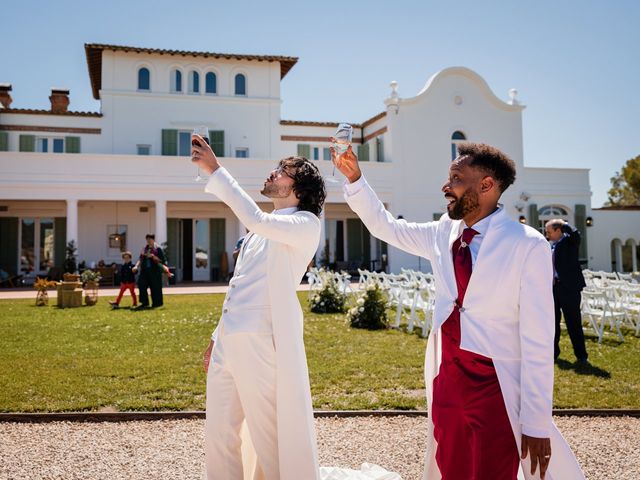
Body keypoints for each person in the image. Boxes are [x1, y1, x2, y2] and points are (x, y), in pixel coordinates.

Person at [333, 142, 585, 480]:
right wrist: (356, 179)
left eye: (456, 178)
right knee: (450, 465)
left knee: (494, 469)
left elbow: (539, 338)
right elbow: (386, 226)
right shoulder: (442, 232)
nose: (446, 186)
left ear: (486, 185)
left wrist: (536, 421)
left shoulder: (527, 244)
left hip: (496, 386)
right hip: (447, 380)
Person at [192, 135, 326, 480]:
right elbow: (240, 286)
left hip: (261, 342)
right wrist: (215, 337)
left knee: (269, 437)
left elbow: (256, 220)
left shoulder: (305, 224)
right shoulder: (261, 226)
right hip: (228, 342)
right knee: (219, 433)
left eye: (282, 171)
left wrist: (216, 170)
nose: (273, 173)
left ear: (299, 188)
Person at [545, 219, 588, 364]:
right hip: (554, 288)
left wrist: (564, 224)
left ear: (559, 230)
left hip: (569, 289)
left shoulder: (570, 242)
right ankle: (553, 353)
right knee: (553, 323)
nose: (547, 234)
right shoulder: (552, 246)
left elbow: (576, 234)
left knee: (573, 323)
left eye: (550, 231)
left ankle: (581, 356)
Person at [132, 234, 166, 309]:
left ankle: (157, 304)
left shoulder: (158, 249)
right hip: (144, 271)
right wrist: (136, 266)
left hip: (155, 272)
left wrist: (153, 256)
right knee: (141, 285)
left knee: (155, 288)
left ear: (153, 240)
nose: (148, 241)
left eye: (150, 239)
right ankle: (144, 303)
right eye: (147, 240)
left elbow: (162, 261)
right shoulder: (144, 249)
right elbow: (140, 259)